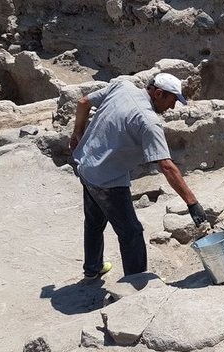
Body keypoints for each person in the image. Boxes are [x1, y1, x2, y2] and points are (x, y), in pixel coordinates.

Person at [70, 73, 207, 279]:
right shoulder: (148, 121)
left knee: (94, 221)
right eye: (172, 101)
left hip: (86, 164)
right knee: (131, 232)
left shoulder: (122, 86)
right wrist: (192, 203)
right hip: (108, 180)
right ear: (159, 93)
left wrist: (76, 133)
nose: (172, 107)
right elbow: (167, 166)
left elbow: (83, 102)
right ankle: (135, 284)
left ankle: (92, 268)